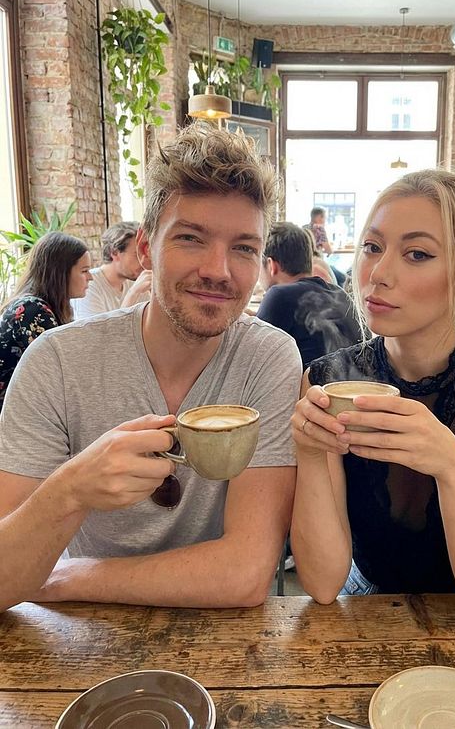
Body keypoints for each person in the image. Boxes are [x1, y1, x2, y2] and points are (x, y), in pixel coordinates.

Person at [0, 123, 302, 612]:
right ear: (145, 249)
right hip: (82, 645)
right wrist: (71, 490)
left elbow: (246, 572)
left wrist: (68, 576)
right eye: (191, 238)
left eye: (243, 248)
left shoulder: (267, 357)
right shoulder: (56, 362)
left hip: (222, 640)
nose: (218, 270)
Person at [290, 169, 455, 625]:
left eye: (417, 254)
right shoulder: (327, 380)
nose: (378, 273)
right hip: (364, 613)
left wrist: (452, 467)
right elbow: (321, 583)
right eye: (372, 247)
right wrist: (312, 451)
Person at [0, 231, 91, 411]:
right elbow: (63, 374)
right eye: (84, 271)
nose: (91, 277)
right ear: (60, 273)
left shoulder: (39, 306)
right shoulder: (32, 310)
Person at [258, 221, 362, 368]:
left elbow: (252, 356)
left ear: (271, 266)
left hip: (312, 389)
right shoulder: (340, 294)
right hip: (354, 387)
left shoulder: (278, 296)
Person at [72, 221, 151, 318]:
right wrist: (133, 293)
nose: (143, 261)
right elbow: (98, 332)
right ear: (114, 253)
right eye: (137, 255)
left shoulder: (138, 284)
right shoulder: (88, 285)